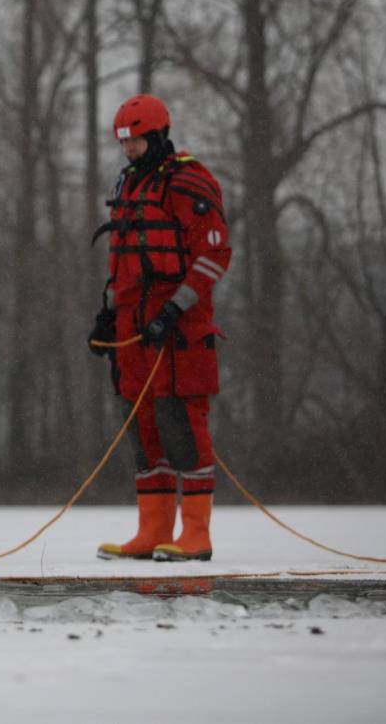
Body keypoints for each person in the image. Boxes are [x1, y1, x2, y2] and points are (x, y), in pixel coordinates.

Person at [88, 94, 231, 562]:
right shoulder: (129, 184)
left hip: (179, 326)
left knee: (181, 423)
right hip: (133, 326)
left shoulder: (188, 181)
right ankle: (152, 531)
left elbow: (214, 255)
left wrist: (174, 309)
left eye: (136, 141)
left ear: (159, 135)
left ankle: (196, 535)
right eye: (123, 143)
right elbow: (121, 260)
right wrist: (109, 315)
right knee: (142, 425)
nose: (128, 150)